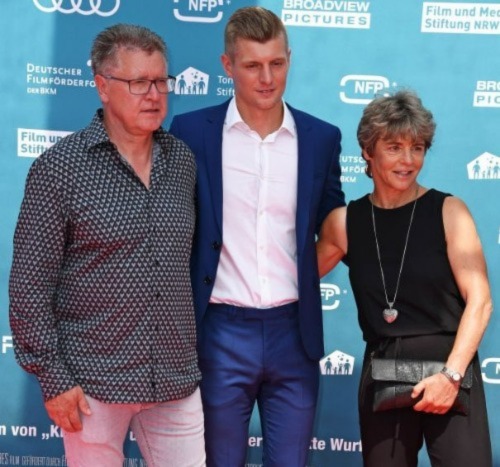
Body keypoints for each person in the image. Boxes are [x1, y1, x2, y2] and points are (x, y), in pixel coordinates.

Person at [9, 24, 205, 467]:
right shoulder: (58, 169)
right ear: (102, 86)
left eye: (161, 81)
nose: (154, 94)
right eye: (138, 82)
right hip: (90, 385)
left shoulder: (183, 162)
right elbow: (29, 286)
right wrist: (55, 380)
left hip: (173, 380)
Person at [169, 6, 345, 466]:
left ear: (289, 58)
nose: (267, 78)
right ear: (228, 66)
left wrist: (305, 273)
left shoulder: (322, 138)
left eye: (277, 63)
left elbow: (333, 221)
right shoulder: (189, 132)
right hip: (219, 332)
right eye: (252, 65)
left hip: (295, 333)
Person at [317, 90, 492, 466]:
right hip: (384, 377)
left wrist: (451, 376)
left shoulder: (449, 211)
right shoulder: (345, 223)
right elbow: (289, 281)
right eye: (394, 147)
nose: (408, 160)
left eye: (417, 148)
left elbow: (480, 300)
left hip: (451, 372)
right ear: (367, 150)